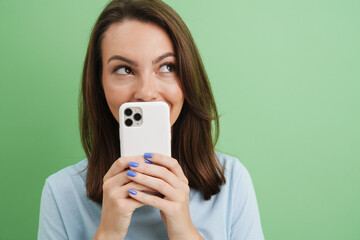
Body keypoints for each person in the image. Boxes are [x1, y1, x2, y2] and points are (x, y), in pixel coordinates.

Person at [37, 0, 264, 239]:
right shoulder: (61, 193)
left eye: (167, 66)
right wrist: (108, 233)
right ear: (99, 84)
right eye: (124, 69)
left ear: (188, 77)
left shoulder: (232, 181)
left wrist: (184, 229)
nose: (146, 93)